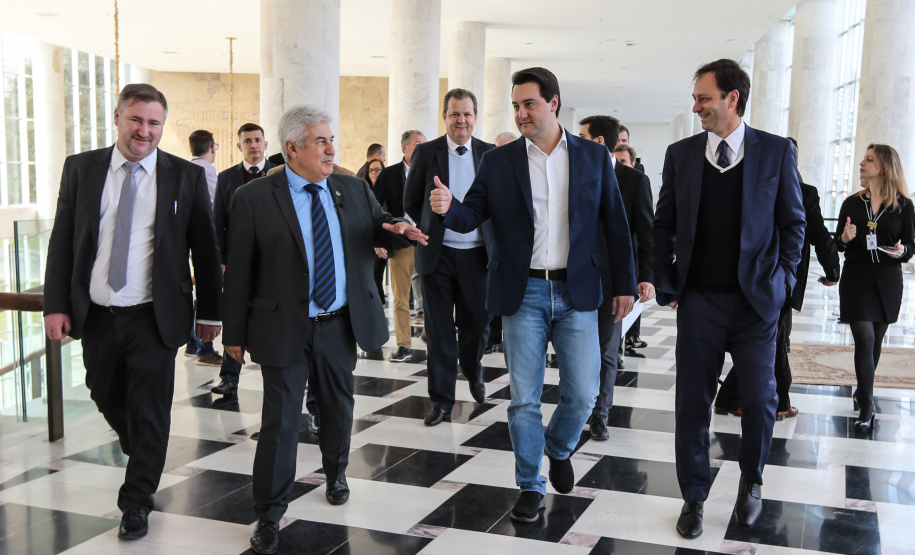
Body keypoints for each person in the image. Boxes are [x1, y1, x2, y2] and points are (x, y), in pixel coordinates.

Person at [430, 67, 636, 523]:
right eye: (516, 106)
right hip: (522, 293)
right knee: (524, 398)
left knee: (582, 394)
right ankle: (529, 484)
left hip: (578, 290)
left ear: (553, 103)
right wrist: (448, 209)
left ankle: (559, 448)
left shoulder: (592, 157)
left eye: (530, 104)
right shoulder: (500, 162)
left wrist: (624, 285)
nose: (521, 114)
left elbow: (615, 225)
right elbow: (472, 216)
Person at [221, 104, 426, 555]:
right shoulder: (255, 198)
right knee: (280, 421)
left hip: (338, 324)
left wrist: (401, 231)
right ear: (292, 148)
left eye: (332, 139)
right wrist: (232, 334)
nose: (331, 149)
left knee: (338, 406)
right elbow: (238, 272)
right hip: (281, 328)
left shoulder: (351, 188)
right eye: (321, 141)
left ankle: (336, 473)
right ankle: (269, 513)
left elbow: (378, 227)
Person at [43, 84, 223, 540]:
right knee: (104, 392)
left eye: (154, 123)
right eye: (136, 120)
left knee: (150, 411)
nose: (144, 131)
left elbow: (205, 247)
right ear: (118, 117)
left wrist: (211, 315)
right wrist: (55, 305)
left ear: (163, 126)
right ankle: (143, 447)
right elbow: (63, 240)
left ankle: (136, 500)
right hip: (98, 313)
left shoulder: (184, 175)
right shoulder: (81, 168)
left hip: (154, 315)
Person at [652, 59, 805, 538]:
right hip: (700, 300)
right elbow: (663, 225)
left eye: (703, 98)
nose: (696, 106)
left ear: (731, 99)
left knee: (761, 400)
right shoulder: (681, 155)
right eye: (696, 98)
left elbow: (793, 224)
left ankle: (751, 484)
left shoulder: (776, 153)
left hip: (756, 304)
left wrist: (781, 283)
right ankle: (694, 497)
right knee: (692, 405)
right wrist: (669, 280)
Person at [715, 138, 841, 421]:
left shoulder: (785, 189)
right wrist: (832, 270)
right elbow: (819, 235)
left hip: (768, 278)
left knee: (772, 338)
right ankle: (772, 401)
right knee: (774, 340)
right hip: (774, 279)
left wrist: (833, 268)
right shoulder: (795, 191)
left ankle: (735, 398)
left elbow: (817, 235)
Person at [404, 88, 495, 426]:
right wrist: (433, 225)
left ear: (475, 116)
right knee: (439, 331)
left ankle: (473, 369)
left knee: (476, 325)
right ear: (445, 116)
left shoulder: (488, 154)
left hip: (477, 256)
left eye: (467, 114)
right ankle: (441, 401)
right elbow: (412, 200)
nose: (461, 120)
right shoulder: (427, 152)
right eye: (455, 113)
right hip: (437, 256)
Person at [578, 115, 654, 441]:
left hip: (613, 282)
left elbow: (646, 234)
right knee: (577, 349)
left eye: (581, 136)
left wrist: (645, 277)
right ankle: (578, 406)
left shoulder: (634, 181)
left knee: (608, 351)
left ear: (597, 142)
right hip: (577, 278)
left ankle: (600, 415)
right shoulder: (575, 174)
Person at [835, 144, 915, 430]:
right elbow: (838, 245)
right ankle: (867, 404)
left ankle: (862, 389)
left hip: (887, 279)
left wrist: (902, 250)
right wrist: (844, 237)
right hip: (856, 277)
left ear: (883, 167)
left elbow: (911, 244)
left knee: (876, 342)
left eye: (868, 160)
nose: (861, 164)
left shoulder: (904, 206)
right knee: (865, 339)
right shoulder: (852, 203)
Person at [211, 123, 277, 396]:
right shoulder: (226, 179)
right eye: (247, 141)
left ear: (265, 144)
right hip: (238, 262)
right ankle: (229, 377)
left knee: (271, 322)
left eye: (258, 140)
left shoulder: (280, 173)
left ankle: (274, 380)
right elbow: (218, 223)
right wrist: (222, 260)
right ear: (239, 146)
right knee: (234, 316)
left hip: (273, 263)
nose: (253, 145)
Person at [374, 130, 428, 362]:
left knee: (434, 294)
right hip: (401, 242)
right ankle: (404, 345)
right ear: (404, 148)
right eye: (418, 144)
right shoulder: (389, 175)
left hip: (428, 241)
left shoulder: (433, 171)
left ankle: (430, 334)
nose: (423, 149)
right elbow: (375, 208)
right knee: (400, 298)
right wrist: (377, 239)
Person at [186, 130, 223, 367]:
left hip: (188, 244)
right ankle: (204, 347)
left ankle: (192, 342)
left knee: (200, 290)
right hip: (207, 244)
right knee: (207, 290)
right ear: (212, 148)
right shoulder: (207, 173)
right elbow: (214, 211)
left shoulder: (186, 170)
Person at [365, 159, 388, 307]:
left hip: (383, 239)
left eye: (378, 170)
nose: (374, 173)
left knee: (376, 274)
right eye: (371, 170)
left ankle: (378, 305)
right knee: (368, 275)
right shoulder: (364, 190)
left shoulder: (387, 190)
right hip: (366, 239)